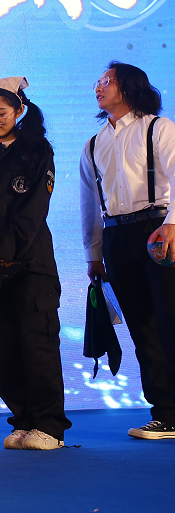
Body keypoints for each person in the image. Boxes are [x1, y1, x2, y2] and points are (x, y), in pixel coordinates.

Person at [0, 78, 69, 450]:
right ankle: (22, 420)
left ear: (19, 110)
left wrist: (5, 252)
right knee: (1, 348)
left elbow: (33, 210)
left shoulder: (37, 150)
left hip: (30, 266)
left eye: (1, 112)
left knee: (38, 345)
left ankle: (50, 426)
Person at [80, 61, 175, 440]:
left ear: (130, 86)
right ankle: (164, 413)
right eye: (98, 81)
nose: (98, 87)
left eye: (107, 81)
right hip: (116, 237)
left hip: (159, 230)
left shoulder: (158, 128)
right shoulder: (93, 143)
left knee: (170, 321)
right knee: (142, 328)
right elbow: (89, 204)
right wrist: (93, 254)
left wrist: (173, 224)